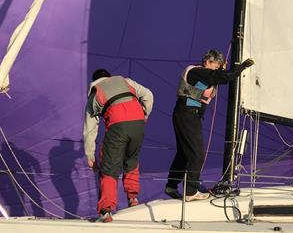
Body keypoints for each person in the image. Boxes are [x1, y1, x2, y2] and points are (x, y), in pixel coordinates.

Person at [166, 50, 254, 201]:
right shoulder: (197, 71)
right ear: (207, 62)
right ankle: (190, 191)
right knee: (197, 154)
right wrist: (243, 66)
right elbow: (225, 77)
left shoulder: (204, 75)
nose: (216, 69)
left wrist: (221, 70)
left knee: (184, 152)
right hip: (187, 114)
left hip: (186, 114)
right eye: (215, 65)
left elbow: (220, 78)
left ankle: (172, 185)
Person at [83, 69, 153, 222]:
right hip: (138, 124)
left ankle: (106, 209)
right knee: (131, 160)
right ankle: (133, 199)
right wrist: (145, 114)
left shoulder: (96, 92)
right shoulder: (125, 81)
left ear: (95, 80)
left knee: (109, 167)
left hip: (118, 126)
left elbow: (90, 130)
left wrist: (90, 156)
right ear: (109, 77)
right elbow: (148, 94)